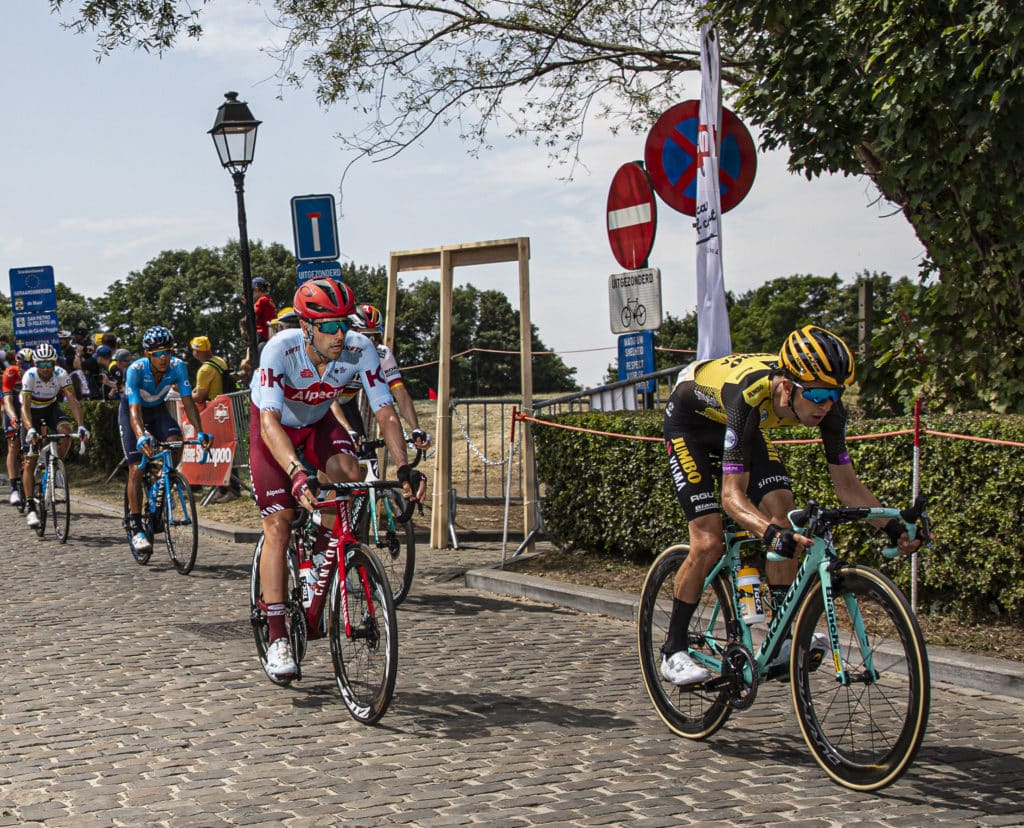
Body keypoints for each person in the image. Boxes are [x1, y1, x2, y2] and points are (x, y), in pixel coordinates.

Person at [658, 325, 925, 686]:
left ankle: (781, 638)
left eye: (834, 395)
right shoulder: (748, 397)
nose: (825, 405)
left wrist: (892, 526)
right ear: (787, 386)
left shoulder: (829, 410)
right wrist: (766, 532)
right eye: (816, 395)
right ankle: (673, 650)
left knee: (784, 514)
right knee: (708, 541)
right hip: (691, 422)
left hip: (739, 429)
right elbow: (731, 497)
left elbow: (847, 486)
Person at [249, 278, 426, 680]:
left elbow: (384, 411)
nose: (339, 333)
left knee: (349, 475)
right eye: (327, 326)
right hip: (274, 432)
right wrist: (295, 473)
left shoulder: (360, 349)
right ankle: (277, 635)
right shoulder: (280, 349)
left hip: (317, 424)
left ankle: (321, 560)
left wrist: (403, 467)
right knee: (279, 524)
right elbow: (270, 420)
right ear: (306, 327)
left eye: (342, 323)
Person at [120, 326, 211, 556]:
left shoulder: (178, 367)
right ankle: (136, 525)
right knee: (135, 468)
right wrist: (140, 436)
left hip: (157, 410)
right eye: (158, 353)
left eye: (167, 352)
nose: (164, 357)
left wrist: (199, 431)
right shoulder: (136, 370)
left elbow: (188, 401)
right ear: (148, 354)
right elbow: (133, 411)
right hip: (134, 411)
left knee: (176, 441)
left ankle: (163, 480)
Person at [333, 303, 431, 453]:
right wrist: (347, 429)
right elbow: (328, 400)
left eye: (376, 336)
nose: (371, 342)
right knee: (331, 454)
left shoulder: (382, 354)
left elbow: (400, 394)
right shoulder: (336, 351)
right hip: (322, 403)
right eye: (366, 336)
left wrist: (416, 429)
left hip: (347, 403)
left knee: (364, 451)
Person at [20, 343, 90, 528]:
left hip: (50, 408)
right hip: (31, 412)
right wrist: (30, 429)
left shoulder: (60, 374)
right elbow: (24, 407)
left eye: (49, 364)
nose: (46, 368)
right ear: (35, 364)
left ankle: (57, 465)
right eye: (41, 364)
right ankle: (30, 506)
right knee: (30, 459)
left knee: (66, 433)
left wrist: (81, 426)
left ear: (54, 363)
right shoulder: (30, 376)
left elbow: (73, 401)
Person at [190, 335, 241, 503]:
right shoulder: (219, 360)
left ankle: (228, 489)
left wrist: (187, 395)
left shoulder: (204, 370)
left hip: (215, 412)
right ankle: (227, 488)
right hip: (225, 409)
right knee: (225, 449)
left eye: (193, 349)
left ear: (197, 351)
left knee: (220, 450)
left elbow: (200, 396)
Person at [3, 348, 34, 505]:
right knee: (13, 445)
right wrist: (13, 418)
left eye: (29, 364)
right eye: (23, 365)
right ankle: (14, 487)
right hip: (13, 408)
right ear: (17, 363)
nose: (26, 368)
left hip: (29, 409)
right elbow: (7, 400)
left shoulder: (37, 374)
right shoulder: (10, 373)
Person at [251, 277, 277, 343]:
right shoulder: (269, 300)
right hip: (269, 334)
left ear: (256, 289)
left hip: (260, 334)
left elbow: (253, 316)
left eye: (252, 291)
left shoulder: (261, 300)